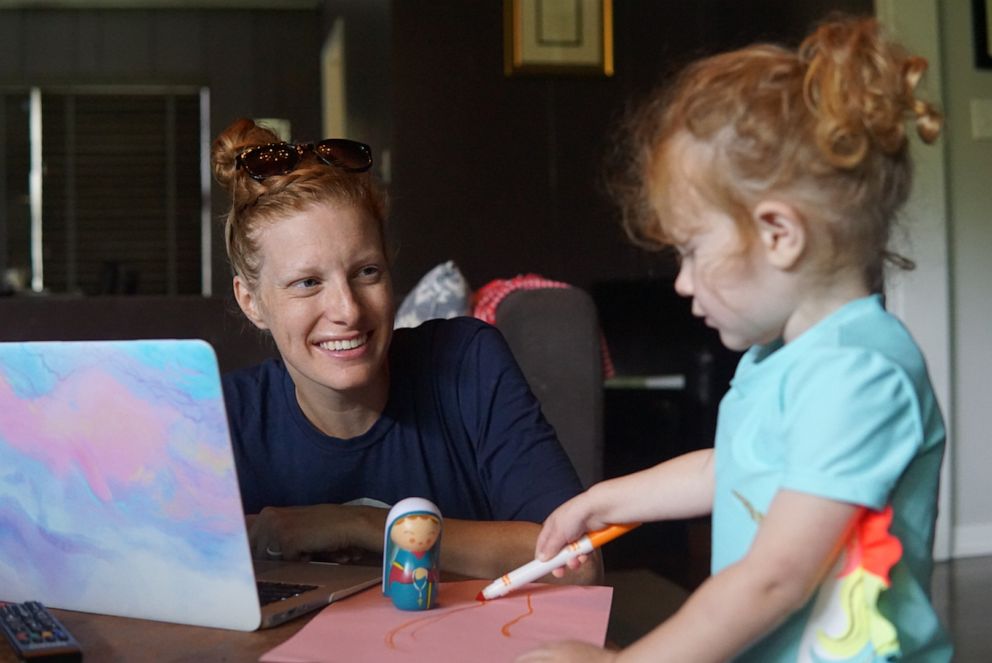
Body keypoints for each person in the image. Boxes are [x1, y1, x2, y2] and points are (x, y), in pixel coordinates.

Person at [517, 15, 951, 663]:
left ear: (779, 233)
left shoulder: (860, 374)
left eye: (692, 252)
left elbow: (776, 579)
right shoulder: (777, 358)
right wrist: (605, 498)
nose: (684, 284)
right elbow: (731, 469)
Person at [210, 118, 600, 585]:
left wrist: (358, 525)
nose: (347, 310)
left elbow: (579, 566)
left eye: (366, 272)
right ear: (251, 301)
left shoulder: (468, 362)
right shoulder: (220, 416)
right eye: (307, 283)